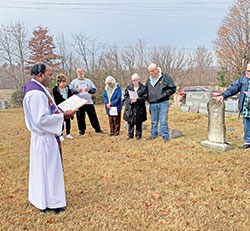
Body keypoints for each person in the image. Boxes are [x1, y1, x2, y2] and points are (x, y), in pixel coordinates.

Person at [23, 62, 75, 213]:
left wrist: (59, 112)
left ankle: (43, 200)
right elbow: (42, 119)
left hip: (42, 138)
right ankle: (52, 203)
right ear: (40, 75)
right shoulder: (36, 93)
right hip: (45, 138)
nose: (52, 77)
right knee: (49, 170)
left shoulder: (36, 88)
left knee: (43, 170)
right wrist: (63, 116)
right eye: (50, 74)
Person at [216, 63, 250, 149]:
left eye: (249, 71)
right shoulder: (243, 80)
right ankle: (247, 141)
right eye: (247, 70)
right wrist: (223, 96)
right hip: (246, 107)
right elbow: (233, 89)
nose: (247, 72)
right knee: (247, 124)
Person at [145, 63, 176, 142]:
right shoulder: (149, 80)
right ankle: (153, 135)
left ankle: (165, 136)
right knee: (153, 121)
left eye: (152, 71)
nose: (150, 73)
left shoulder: (165, 77)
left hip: (163, 102)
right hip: (152, 103)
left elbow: (172, 88)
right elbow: (145, 91)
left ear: (156, 70)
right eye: (149, 72)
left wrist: (165, 94)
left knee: (163, 120)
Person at [69, 67, 103, 135]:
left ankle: (97, 129)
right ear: (77, 73)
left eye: (81, 71)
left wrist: (89, 90)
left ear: (83, 72)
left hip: (88, 102)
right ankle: (81, 130)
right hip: (79, 102)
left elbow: (94, 90)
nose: (80, 73)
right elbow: (70, 91)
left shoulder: (88, 81)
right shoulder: (74, 82)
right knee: (80, 117)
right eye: (79, 71)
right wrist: (76, 91)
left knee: (93, 116)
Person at [123, 73, 147, 140]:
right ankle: (130, 135)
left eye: (135, 80)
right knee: (130, 122)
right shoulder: (129, 87)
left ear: (138, 80)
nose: (134, 82)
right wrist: (130, 100)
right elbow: (125, 96)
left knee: (138, 122)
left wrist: (137, 100)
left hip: (139, 107)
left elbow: (145, 97)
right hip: (131, 107)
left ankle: (138, 135)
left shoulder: (143, 88)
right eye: (133, 80)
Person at [53, 74, 74, 141]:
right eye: (62, 82)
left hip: (68, 106)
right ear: (59, 82)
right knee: (61, 121)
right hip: (60, 106)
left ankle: (68, 133)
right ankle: (60, 134)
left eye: (65, 82)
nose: (64, 83)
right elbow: (57, 99)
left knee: (68, 120)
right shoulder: (55, 89)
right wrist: (65, 101)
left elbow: (70, 95)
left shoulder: (67, 88)